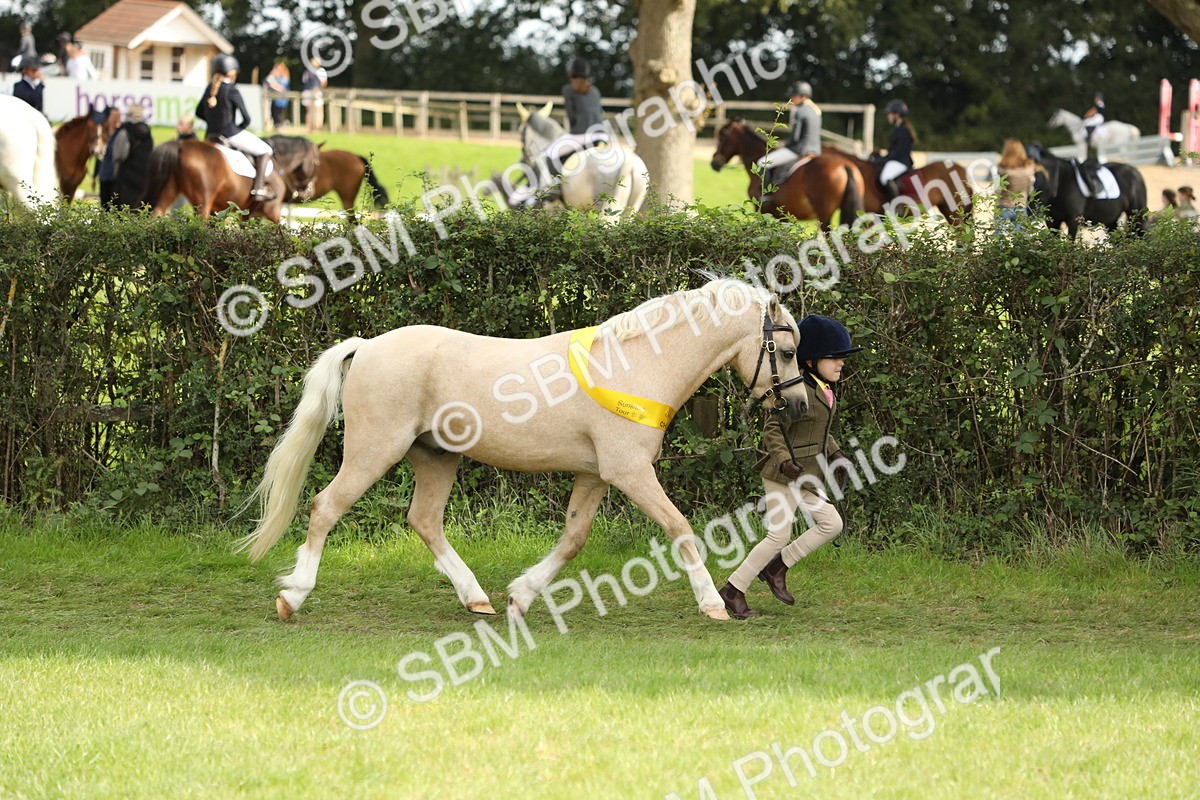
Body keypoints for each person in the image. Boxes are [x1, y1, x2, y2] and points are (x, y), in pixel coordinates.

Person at [718, 315, 865, 619]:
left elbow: (821, 431)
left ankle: (777, 566)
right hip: (782, 474)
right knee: (778, 535)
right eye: (834, 358)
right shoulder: (796, 392)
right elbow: (772, 428)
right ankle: (733, 590)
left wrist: (836, 454)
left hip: (808, 474)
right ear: (810, 360)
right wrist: (785, 461)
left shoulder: (824, 389)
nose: (841, 364)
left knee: (831, 524)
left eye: (842, 359)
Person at [195, 54, 276, 200]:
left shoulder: (209, 88)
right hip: (230, 133)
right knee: (266, 150)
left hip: (210, 135)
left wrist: (213, 123)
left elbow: (198, 112)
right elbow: (247, 119)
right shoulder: (232, 90)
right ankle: (259, 188)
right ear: (231, 73)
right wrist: (237, 129)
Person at [755, 81, 821, 198]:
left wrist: (784, 146)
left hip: (799, 150)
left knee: (762, 163)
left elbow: (795, 137)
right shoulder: (816, 110)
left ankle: (765, 196)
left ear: (803, 96)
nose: (791, 99)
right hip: (816, 150)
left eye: (794, 96)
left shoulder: (800, 111)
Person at [109, 103, 154, 208]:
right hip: (144, 176)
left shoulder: (125, 131)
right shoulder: (148, 132)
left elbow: (119, 155)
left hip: (126, 177)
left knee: (125, 208)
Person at [874, 99, 915, 203]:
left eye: (890, 114)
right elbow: (893, 151)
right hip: (896, 160)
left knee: (885, 177)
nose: (888, 116)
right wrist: (881, 159)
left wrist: (882, 160)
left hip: (901, 162)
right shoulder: (898, 129)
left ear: (897, 115)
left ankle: (896, 206)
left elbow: (898, 153)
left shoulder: (903, 130)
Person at [995, 138, 1036, 230]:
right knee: (1020, 240)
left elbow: (997, 188)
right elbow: (1030, 190)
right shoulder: (1028, 168)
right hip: (1021, 206)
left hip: (1004, 206)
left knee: (998, 239)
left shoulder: (1003, 168)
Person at [562, 57, 603, 135]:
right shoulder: (596, 91)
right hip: (600, 134)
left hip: (582, 136)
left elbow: (571, 117)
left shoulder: (568, 90)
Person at [301, 57, 327, 132]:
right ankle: (317, 127)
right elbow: (323, 83)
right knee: (318, 110)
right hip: (316, 91)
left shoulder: (307, 71)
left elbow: (304, 81)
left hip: (306, 92)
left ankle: (309, 127)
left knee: (309, 111)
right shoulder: (321, 71)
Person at [265, 62, 290, 130]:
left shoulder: (284, 77)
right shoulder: (274, 77)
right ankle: (277, 126)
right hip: (275, 98)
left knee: (280, 113)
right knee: (275, 113)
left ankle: (279, 126)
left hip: (281, 99)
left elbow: (282, 87)